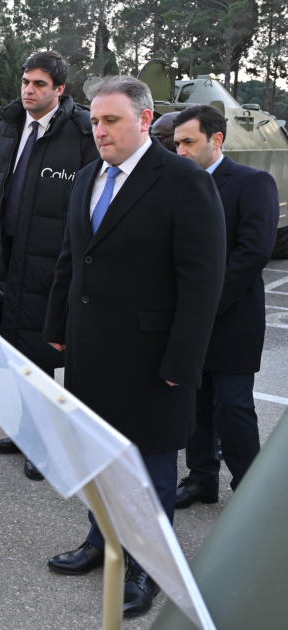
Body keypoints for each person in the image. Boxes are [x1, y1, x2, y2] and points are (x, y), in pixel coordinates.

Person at [42, 75, 226, 616]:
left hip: (152, 359)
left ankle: (144, 570)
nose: (99, 130)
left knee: (148, 468)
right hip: (90, 351)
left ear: (145, 120)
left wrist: (183, 362)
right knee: (99, 458)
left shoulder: (182, 181)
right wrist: (57, 326)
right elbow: (72, 258)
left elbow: (202, 281)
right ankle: (101, 542)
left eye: (111, 120)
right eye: (95, 121)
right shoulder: (86, 179)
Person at [0, 50, 99, 481]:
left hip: (52, 264)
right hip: (4, 260)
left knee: (41, 355)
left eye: (40, 84)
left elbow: (92, 206)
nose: (29, 90)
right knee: (14, 354)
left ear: (60, 89)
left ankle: (45, 442)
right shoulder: (5, 126)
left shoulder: (82, 132)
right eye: (26, 82)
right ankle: (27, 431)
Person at [171, 104, 279, 507]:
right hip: (187, 319)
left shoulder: (253, 183)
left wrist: (206, 303)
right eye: (176, 142)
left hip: (231, 317)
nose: (179, 150)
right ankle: (202, 478)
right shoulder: (178, 184)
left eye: (188, 142)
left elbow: (253, 252)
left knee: (233, 408)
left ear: (217, 140)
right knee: (195, 403)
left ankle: (251, 493)